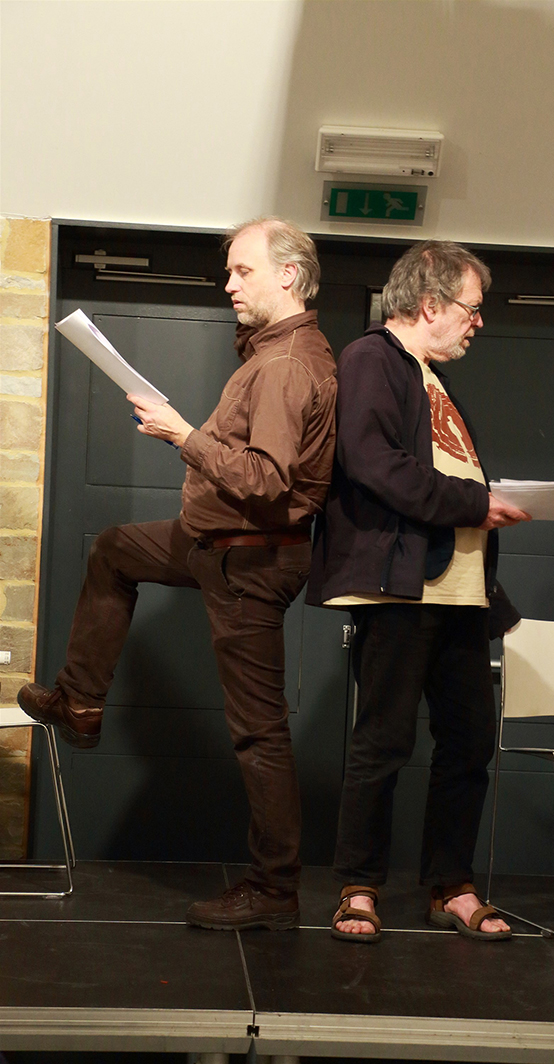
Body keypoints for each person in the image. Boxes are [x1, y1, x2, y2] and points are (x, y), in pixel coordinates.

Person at [19, 218, 337, 932]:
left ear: (288, 274)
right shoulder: (275, 351)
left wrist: (182, 434)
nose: (229, 284)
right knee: (114, 550)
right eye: (229, 271)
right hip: (212, 540)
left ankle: (274, 890)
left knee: (258, 733)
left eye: (243, 271)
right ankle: (80, 703)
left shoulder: (285, 365)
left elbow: (265, 481)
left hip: (249, 559)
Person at [307, 240, 530, 943]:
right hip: (401, 592)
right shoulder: (371, 358)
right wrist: (477, 503)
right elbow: (374, 463)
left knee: (469, 743)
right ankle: (358, 887)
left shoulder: (431, 377)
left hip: (460, 596)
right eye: (471, 307)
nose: (478, 321)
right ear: (430, 304)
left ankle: (451, 886)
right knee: (383, 743)